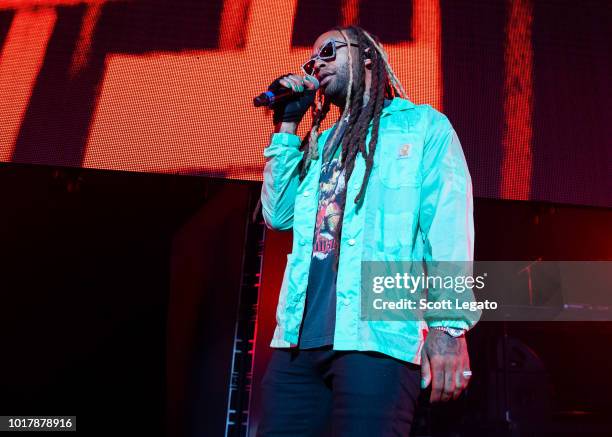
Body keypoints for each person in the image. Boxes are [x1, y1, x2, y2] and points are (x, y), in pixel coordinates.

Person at [258, 25, 479, 436]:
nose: (316, 65)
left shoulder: (423, 127)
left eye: (327, 51)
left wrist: (449, 326)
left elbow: (449, 227)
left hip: (377, 340)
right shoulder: (320, 143)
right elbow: (277, 215)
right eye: (310, 61)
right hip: (297, 345)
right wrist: (287, 127)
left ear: (366, 56)